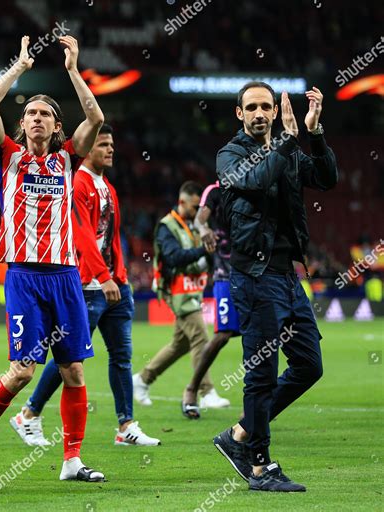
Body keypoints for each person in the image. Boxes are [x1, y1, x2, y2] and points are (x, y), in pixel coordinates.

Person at [0, 35, 106, 483]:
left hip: (66, 276)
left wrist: (74, 69)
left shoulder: (67, 160)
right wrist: (19, 66)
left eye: (46, 115)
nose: (37, 119)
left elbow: (96, 116)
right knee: (22, 370)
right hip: (23, 277)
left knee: (73, 369)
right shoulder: (7, 157)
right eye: (31, 113)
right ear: (23, 123)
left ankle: (72, 461)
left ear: (58, 128)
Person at [213, 81, 338, 491]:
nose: (260, 113)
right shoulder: (230, 156)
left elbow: (326, 178)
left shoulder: (289, 151)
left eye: (266, 106)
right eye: (252, 107)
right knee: (261, 374)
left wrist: (315, 132)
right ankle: (260, 469)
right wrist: (286, 140)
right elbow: (256, 180)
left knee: (309, 365)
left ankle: (239, 435)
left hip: (286, 275)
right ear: (239, 114)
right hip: (253, 276)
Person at [10, 124, 160, 447]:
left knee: (122, 357)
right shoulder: (77, 182)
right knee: (69, 356)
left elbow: (111, 237)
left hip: (115, 284)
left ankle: (126, 426)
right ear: (88, 148)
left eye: (112, 145)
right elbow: (82, 235)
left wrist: (118, 275)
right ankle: (29, 413)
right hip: (89, 285)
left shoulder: (107, 185)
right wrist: (102, 276)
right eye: (104, 144)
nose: (110, 150)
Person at [133, 181, 230, 411]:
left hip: (191, 289)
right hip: (176, 290)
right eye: (194, 207)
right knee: (200, 337)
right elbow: (173, 257)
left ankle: (142, 379)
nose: (198, 212)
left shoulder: (195, 226)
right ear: (182, 201)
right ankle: (206, 392)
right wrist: (203, 251)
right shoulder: (167, 227)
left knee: (180, 344)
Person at [181, 181, 241, 418]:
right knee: (222, 335)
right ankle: (192, 389)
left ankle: (255, 404)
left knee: (260, 337)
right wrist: (204, 230)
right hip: (225, 272)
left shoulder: (258, 185)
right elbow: (199, 220)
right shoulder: (215, 191)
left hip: (256, 272)